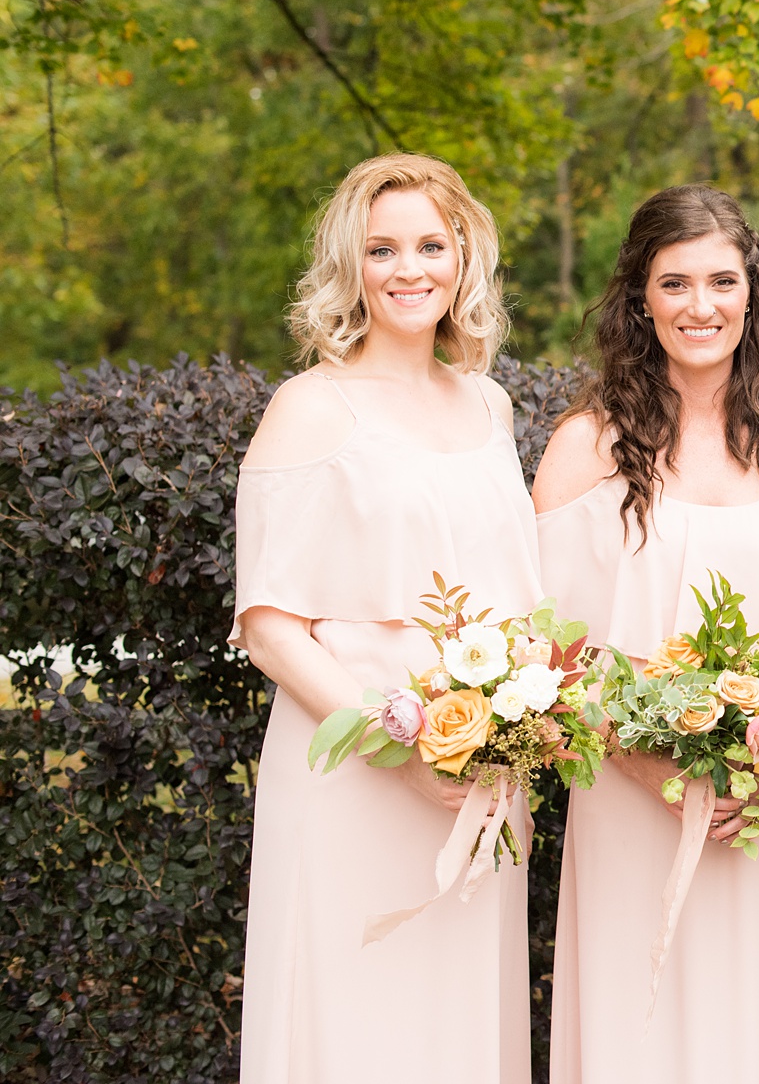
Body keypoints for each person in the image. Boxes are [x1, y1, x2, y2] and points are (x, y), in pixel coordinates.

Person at [533, 184, 759, 1083]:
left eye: (722, 280)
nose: (700, 305)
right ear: (640, 297)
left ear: (753, 290)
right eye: (675, 284)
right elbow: (548, 660)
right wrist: (656, 771)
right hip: (632, 800)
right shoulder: (585, 447)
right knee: (643, 1024)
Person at [232, 153, 539, 1084]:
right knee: (351, 1011)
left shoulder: (491, 405)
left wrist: (506, 733)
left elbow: (516, 598)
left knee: (456, 1011)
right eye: (382, 249)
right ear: (351, 268)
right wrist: (395, 746)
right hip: (353, 765)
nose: (410, 270)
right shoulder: (310, 406)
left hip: (480, 770)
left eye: (430, 245)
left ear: (464, 259)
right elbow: (269, 623)